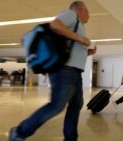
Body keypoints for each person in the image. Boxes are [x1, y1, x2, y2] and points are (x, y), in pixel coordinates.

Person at [9, 1, 96, 141]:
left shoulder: (78, 25)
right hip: (65, 71)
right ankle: (19, 132)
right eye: (88, 12)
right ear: (80, 10)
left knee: (76, 105)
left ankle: (70, 138)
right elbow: (54, 25)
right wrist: (81, 38)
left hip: (75, 72)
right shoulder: (71, 15)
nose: (89, 16)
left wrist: (88, 52)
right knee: (56, 106)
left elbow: (69, 50)